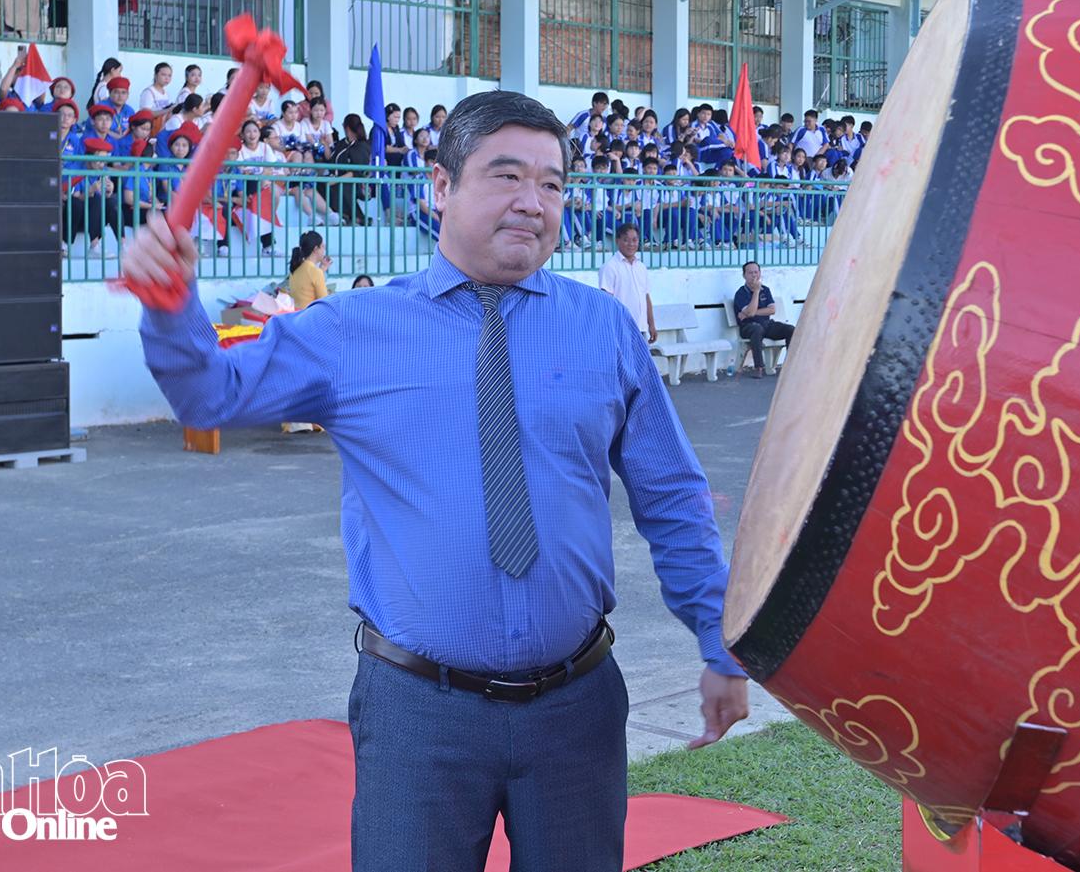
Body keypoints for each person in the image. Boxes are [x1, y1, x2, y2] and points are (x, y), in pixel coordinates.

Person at [125, 89, 750, 872]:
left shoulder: (602, 330)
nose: (533, 202)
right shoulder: (356, 332)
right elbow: (209, 394)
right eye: (507, 175)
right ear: (440, 186)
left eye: (553, 183)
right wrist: (170, 305)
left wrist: (718, 641)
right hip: (419, 713)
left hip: (578, 711)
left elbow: (673, 500)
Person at [597, 221, 656, 344]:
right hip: (621, 329)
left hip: (641, 329)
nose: (631, 244)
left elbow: (646, 297)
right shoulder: (610, 267)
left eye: (634, 240)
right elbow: (606, 301)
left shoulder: (641, 267)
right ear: (617, 241)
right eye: (626, 240)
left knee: (641, 363)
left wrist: (651, 325)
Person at [733, 260, 794, 377]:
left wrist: (750, 312)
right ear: (744, 275)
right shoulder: (741, 293)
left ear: (760, 273)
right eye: (750, 273)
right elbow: (750, 314)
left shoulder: (765, 290)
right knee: (757, 329)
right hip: (748, 326)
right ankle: (759, 367)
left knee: (790, 329)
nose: (754, 275)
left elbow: (772, 310)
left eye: (756, 272)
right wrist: (756, 291)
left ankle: (791, 365)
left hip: (766, 324)